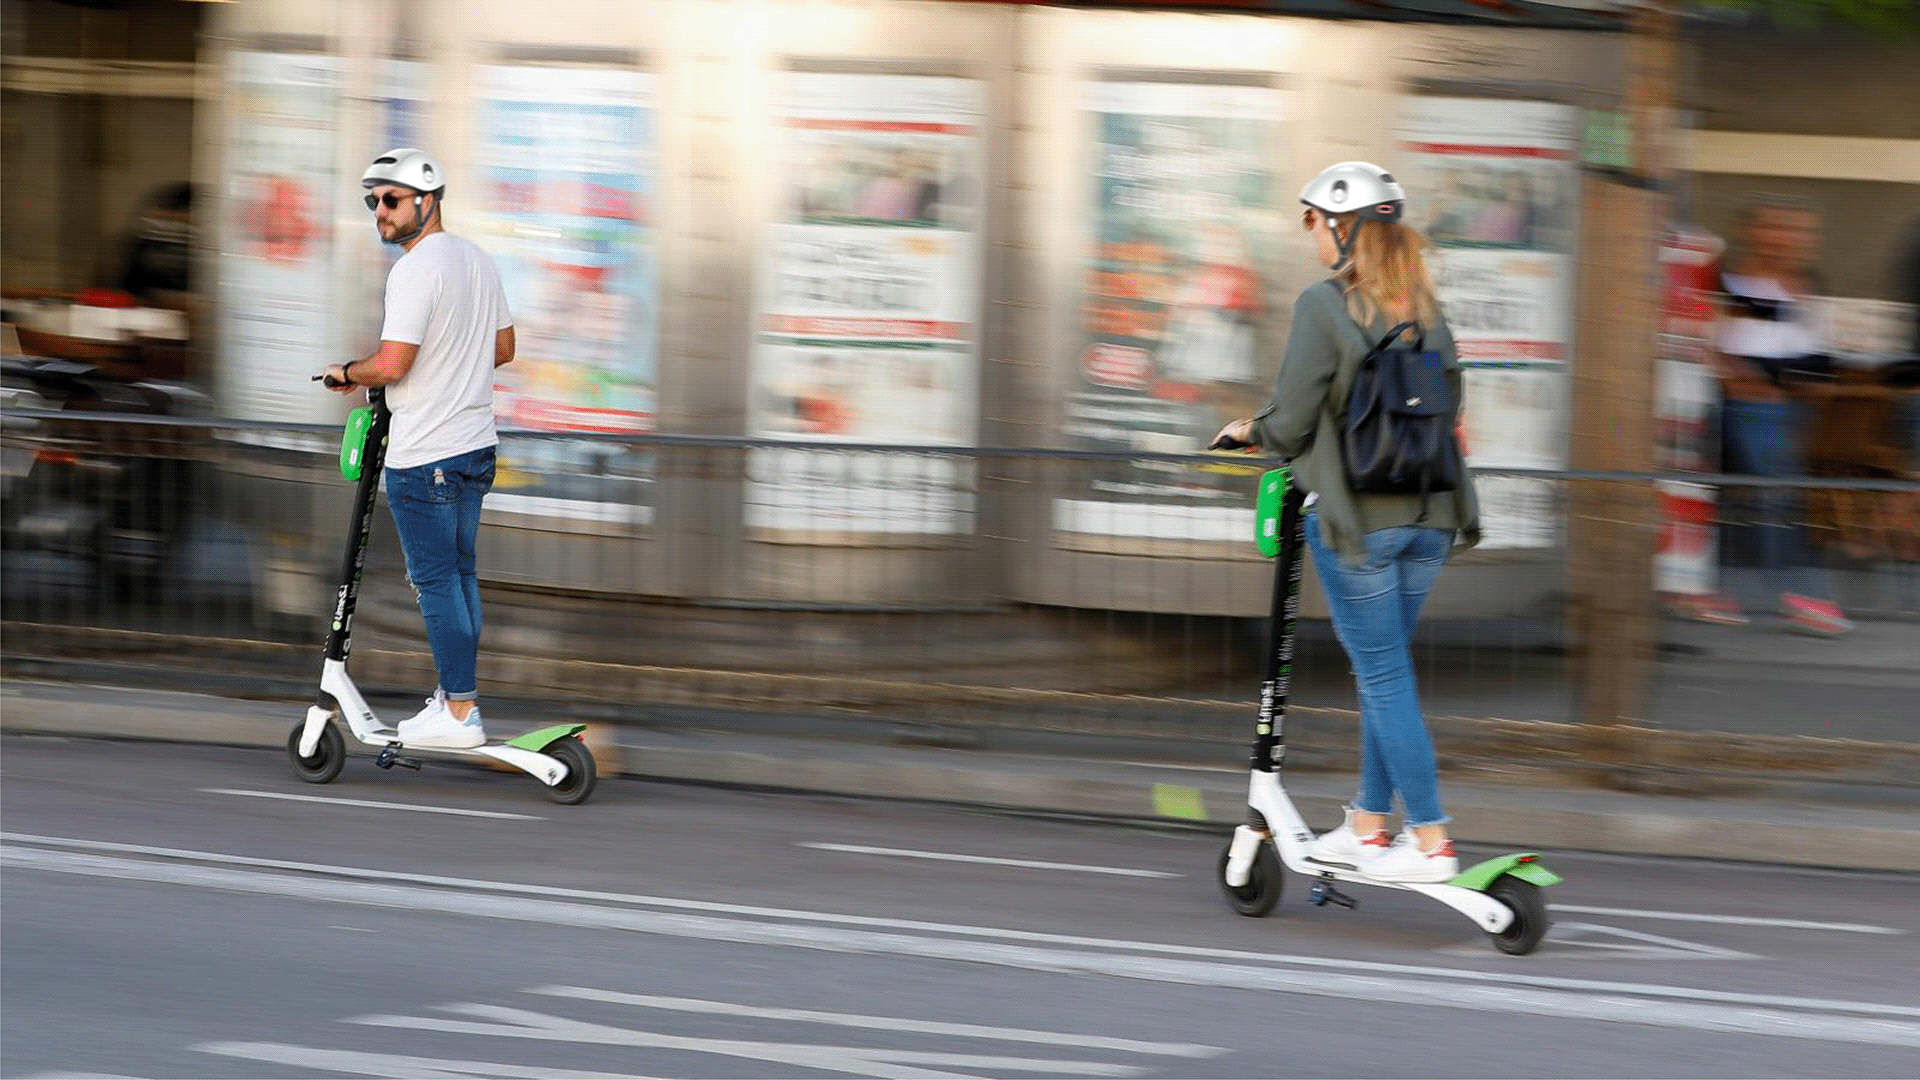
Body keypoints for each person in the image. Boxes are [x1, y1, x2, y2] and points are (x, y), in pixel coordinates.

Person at [1213, 162, 1479, 883]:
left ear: (1345, 227)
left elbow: (1295, 417)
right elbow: (1451, 408)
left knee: (1384, 675)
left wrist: (1250, 431)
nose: (1312, 237)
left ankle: (1430, 841)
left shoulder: (1326, 306)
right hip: (1430, 519)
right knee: (1383, 670)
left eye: (1314, 223)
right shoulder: (1426, 308)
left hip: (1358, 521)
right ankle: (1366, 825)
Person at [322, 148, 516, 749]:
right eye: (372, 201)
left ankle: (460, 712)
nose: (379, 211)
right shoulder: (477, 260)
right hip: (475, 448)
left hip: (426, 454)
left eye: (390, 200)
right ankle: (456, 698)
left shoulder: (413, 271)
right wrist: (453, 365)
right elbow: (503, 348)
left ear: (427, 202)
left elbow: (394, 363)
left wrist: (348, 372)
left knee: (435, 582)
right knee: (459, 575)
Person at [1703, 195, 1850, 635]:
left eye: (1801, 231)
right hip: (1739, 409)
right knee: (1775, 490)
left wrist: (1792, 390)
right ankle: (1802, 591)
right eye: (1779, 228)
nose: (1790, 240)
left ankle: (1740, 587)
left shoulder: (1805, 287)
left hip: (1786, 409)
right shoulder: (1730, 285)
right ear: (1754, 231)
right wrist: (1753, 383)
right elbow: (1714, 352)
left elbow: (1819, 367)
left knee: (1769, 491)